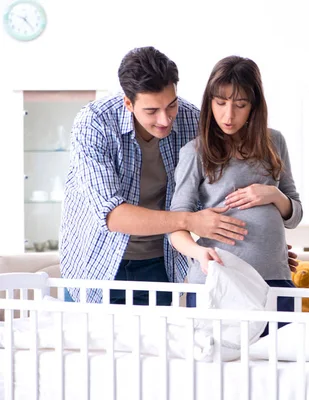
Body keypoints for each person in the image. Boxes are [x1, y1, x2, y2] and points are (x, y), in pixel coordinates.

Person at [59, 47, 296, 305]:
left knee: (156, 345)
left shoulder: (192, 121)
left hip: (160, 265)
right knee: (89, 344)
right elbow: (112, 215)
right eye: (151, 111)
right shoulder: (95, 123)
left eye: (171, 105)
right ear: (128, 102)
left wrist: (263, 249)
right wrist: (191, 221)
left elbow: (214, 193)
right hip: (98, 263)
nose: (165, 119)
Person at [169, 55, 302, 316]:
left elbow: (294, 216)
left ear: (254, 106)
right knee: (221, 356)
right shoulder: (195, 152)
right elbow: (176, 226)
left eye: (240, 105)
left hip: (274, 277)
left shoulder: (275, 143)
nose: (228, 115)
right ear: (210, 102)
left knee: (282, 355)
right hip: (219, 279)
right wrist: (199, 253)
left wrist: (274, 194)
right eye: (220, 103)